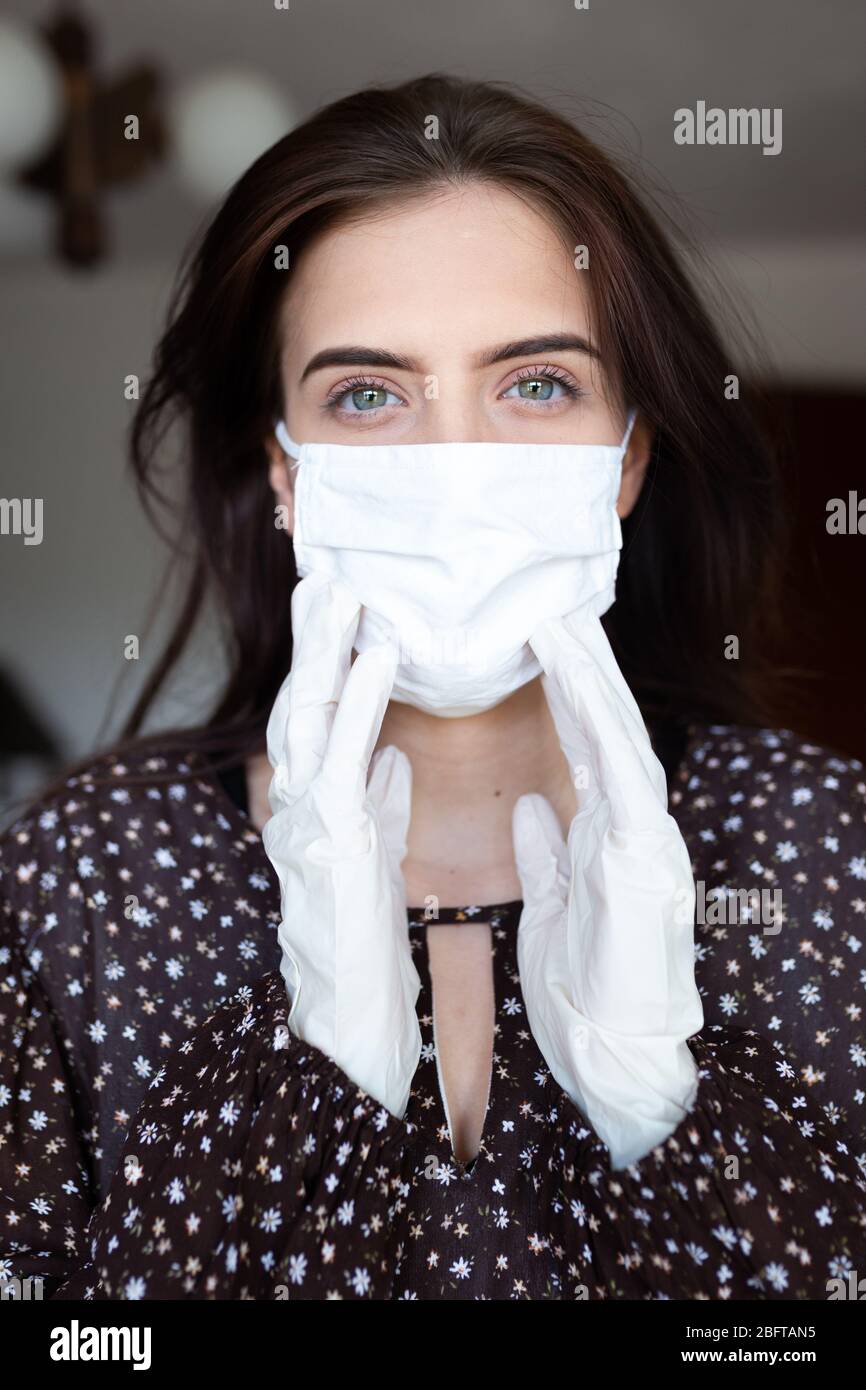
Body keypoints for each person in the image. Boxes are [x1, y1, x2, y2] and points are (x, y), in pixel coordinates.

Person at [2, 73, 864, 1302]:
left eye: (534, 383)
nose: (453, 461)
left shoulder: (832, 854)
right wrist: (308, 1098)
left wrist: (665, 1117)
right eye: (366, 394)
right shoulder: (80, 881)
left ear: (626, 457)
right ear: (285, 473)